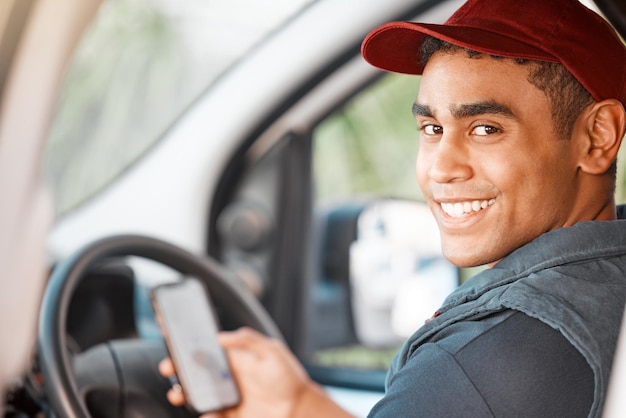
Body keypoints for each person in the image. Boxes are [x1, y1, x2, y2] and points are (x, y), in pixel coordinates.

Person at [161, 0, 626, 416]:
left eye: (485, 128)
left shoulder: (477, 365)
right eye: (431, 129)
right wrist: (298, 404)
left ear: (597, 136)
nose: (440, 169)